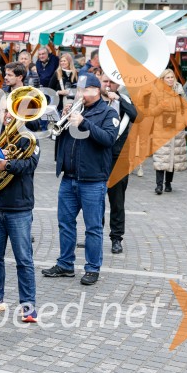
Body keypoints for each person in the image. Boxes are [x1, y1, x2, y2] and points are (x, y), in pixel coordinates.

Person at [42, 74, 118, 286]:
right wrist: (63, 119)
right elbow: (58, 137)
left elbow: (108, 139)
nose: (78, 94)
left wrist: (84, 123)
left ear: (96, 90)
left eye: (83, 90)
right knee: (65, 223)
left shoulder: (108, 113)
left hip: (93, 180)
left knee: (93, 227)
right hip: (69, 177)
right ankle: (65, 264)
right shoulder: (76, 110)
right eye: (77, 90)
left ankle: (92, 268)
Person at [0, 88, 39, 322]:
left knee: (24, 258)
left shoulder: (28, 137)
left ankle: (28, 305)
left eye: (11, 111)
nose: (7, 115)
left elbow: (30, 165)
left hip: (18, 207)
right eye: (3, 110)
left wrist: (7, 164)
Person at [101, 74, 137, 254]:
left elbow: (137, 116)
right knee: (95, 199)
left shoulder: (125, 100)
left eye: (112, 82)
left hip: (119, 156)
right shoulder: (94, 100)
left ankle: (116, 238)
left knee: (117, 201)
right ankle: (95, 235)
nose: (108, 85)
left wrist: (119, 100)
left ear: (118, 84)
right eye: (105, 81)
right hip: (98, 156)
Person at [149, 69, 187, 194]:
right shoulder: (156, 91)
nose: (170, 79)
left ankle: (168, 183)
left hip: (176, 128)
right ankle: (159, 185)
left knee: (172, 155)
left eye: (172, 77)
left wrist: (184, 119)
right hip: (161, 128)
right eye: (168, 77)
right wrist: (161, 106)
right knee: (161, 156)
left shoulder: (179, 90)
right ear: (162, 79)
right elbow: (151, 111)